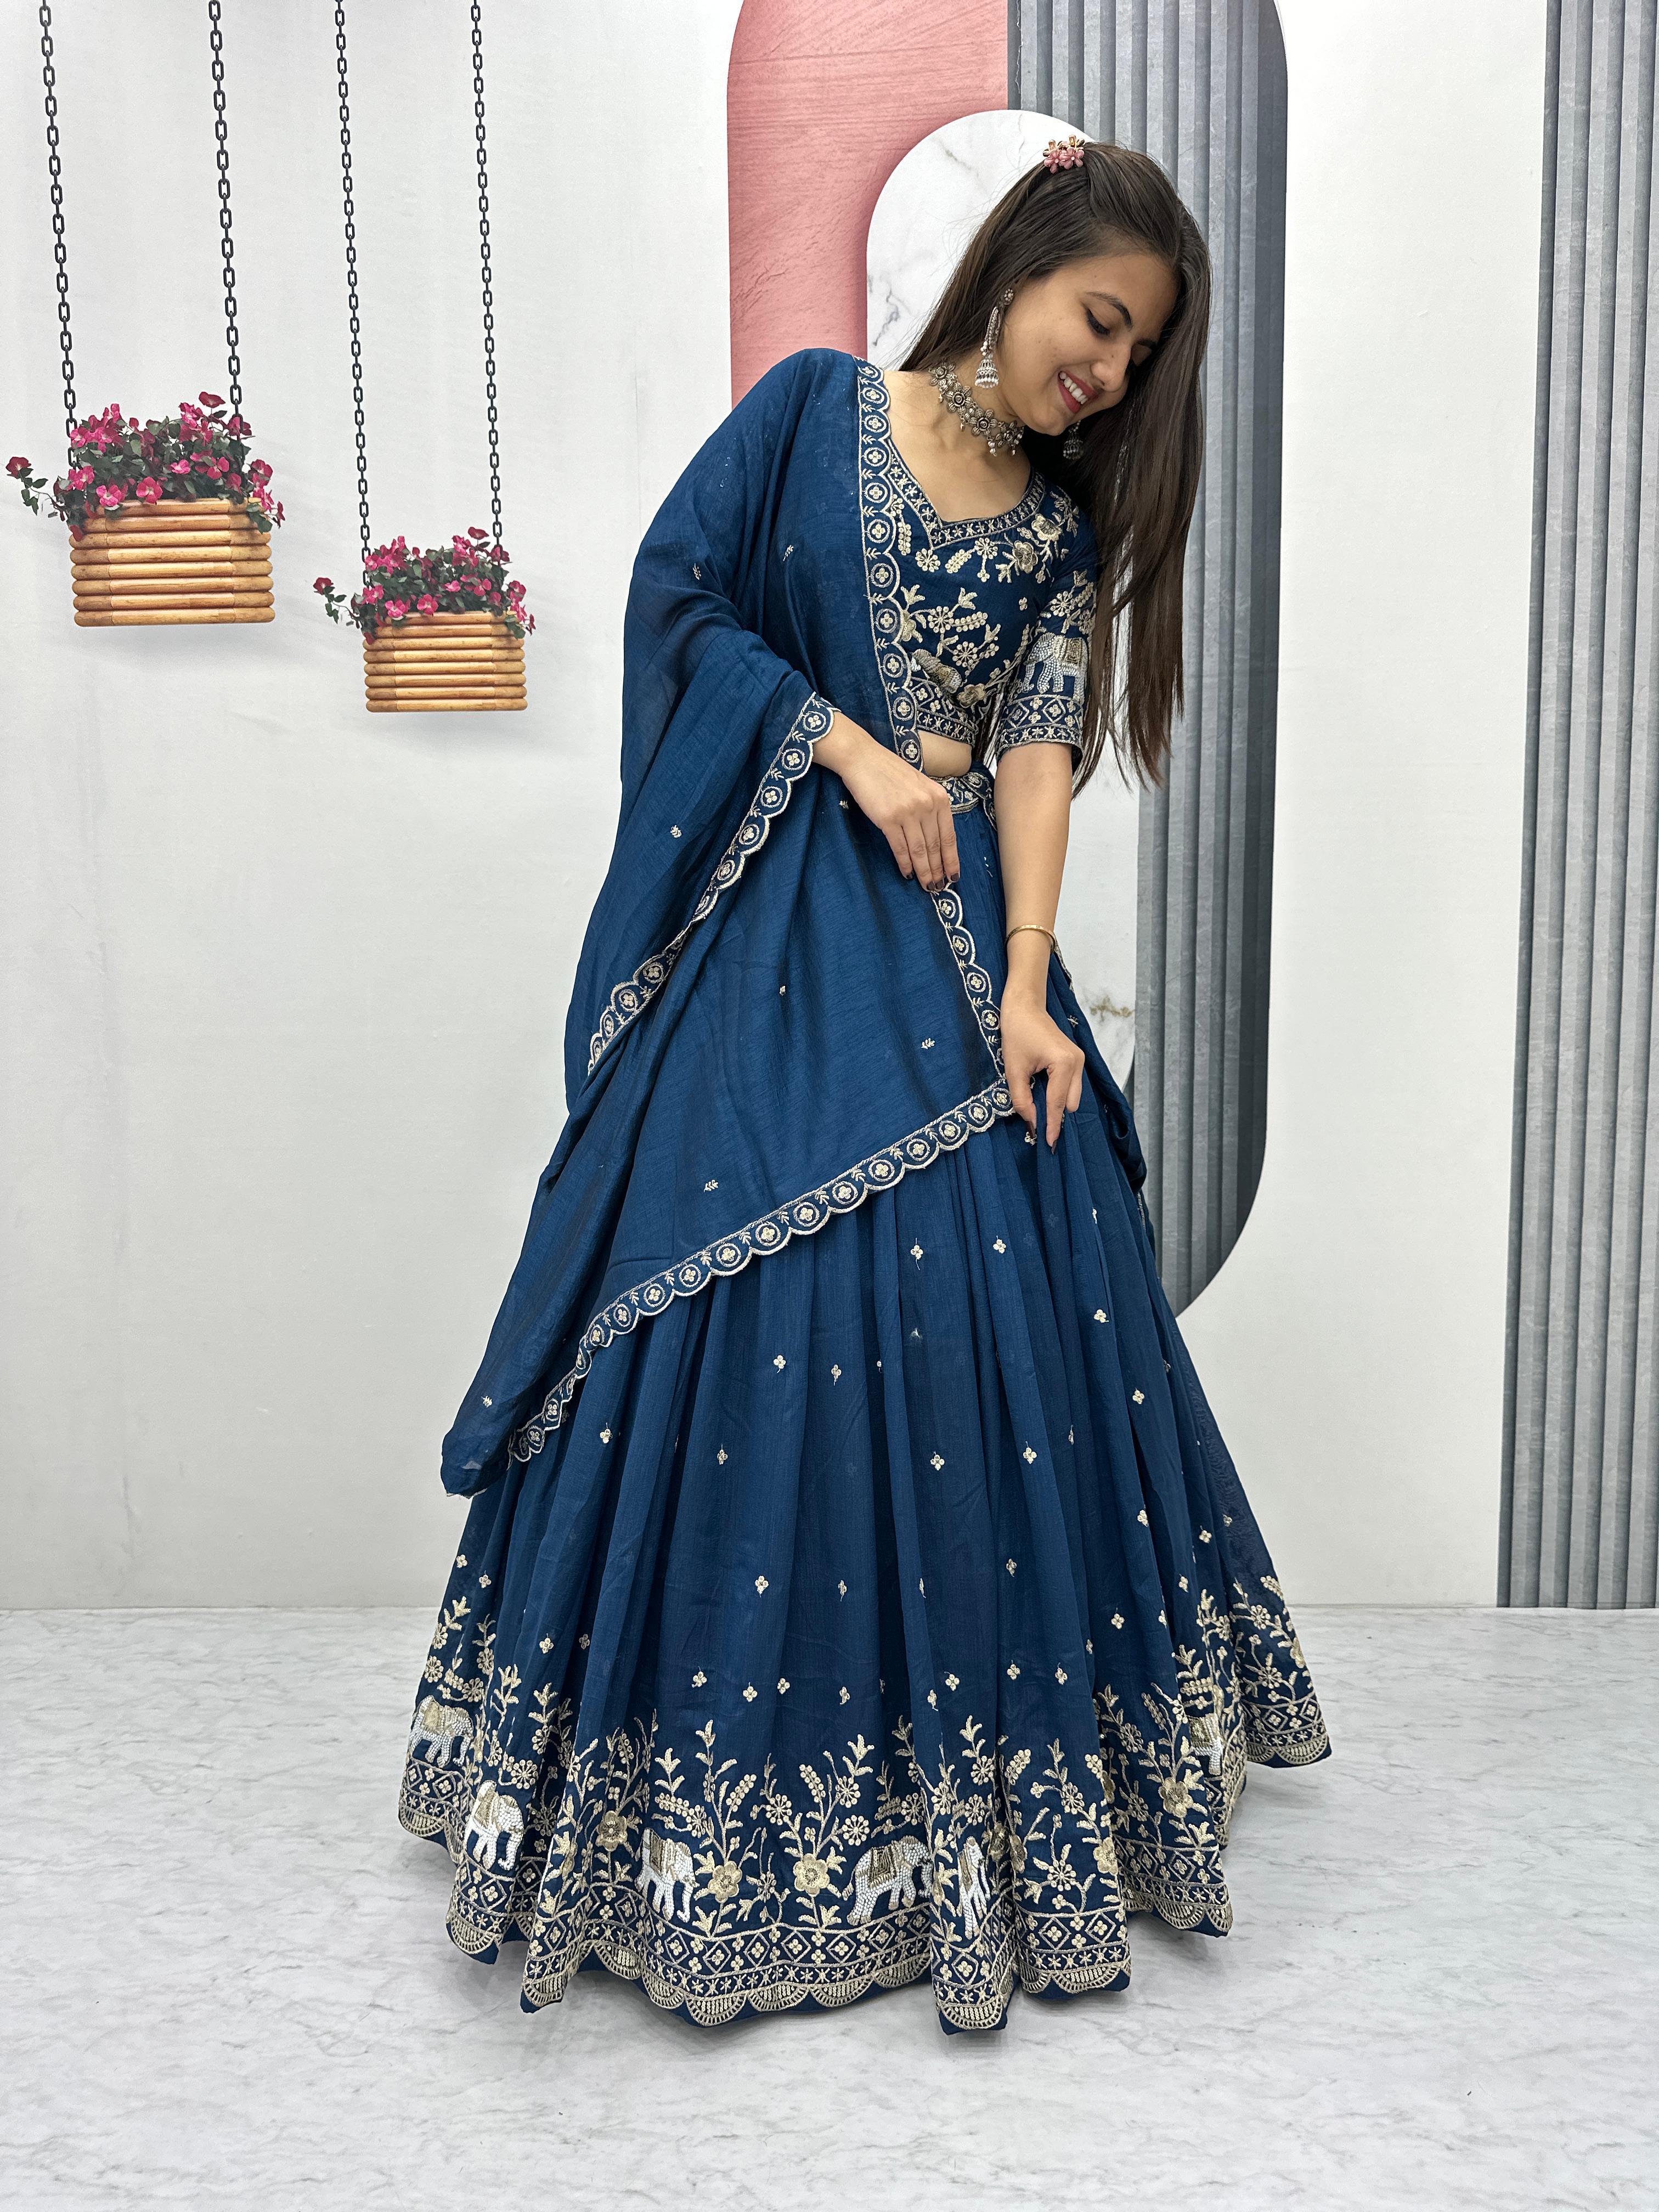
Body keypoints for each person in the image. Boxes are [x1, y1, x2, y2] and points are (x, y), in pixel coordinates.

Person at [398, 138, 1330, 2035]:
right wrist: (845, 749)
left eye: (1142, 357)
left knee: (988, 1336)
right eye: (1103, 322)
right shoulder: (810, 413)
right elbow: (682, 602)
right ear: (1021, 265)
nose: (1113, 375)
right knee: (738, 1322)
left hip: (957, 954)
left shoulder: (1063, 535)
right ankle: (686, 1815)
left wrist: (1039, 991)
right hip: (772, 937)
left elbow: (1046, 753)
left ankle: (981, 1815)